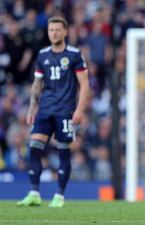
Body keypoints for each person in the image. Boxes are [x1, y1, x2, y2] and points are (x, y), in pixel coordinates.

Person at [17, 16, 89, 208]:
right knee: (34, 147)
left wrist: (80, 109)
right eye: (51, 30)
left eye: (58, 30)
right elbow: (37, 84)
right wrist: (32, 108)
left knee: (63, 151)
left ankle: (59, 195)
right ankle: (34, 193)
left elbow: (84, 84)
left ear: (65, 32)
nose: (54, 33)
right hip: (45, 110)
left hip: (65, 111)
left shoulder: (74, 55)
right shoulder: (42, 55)